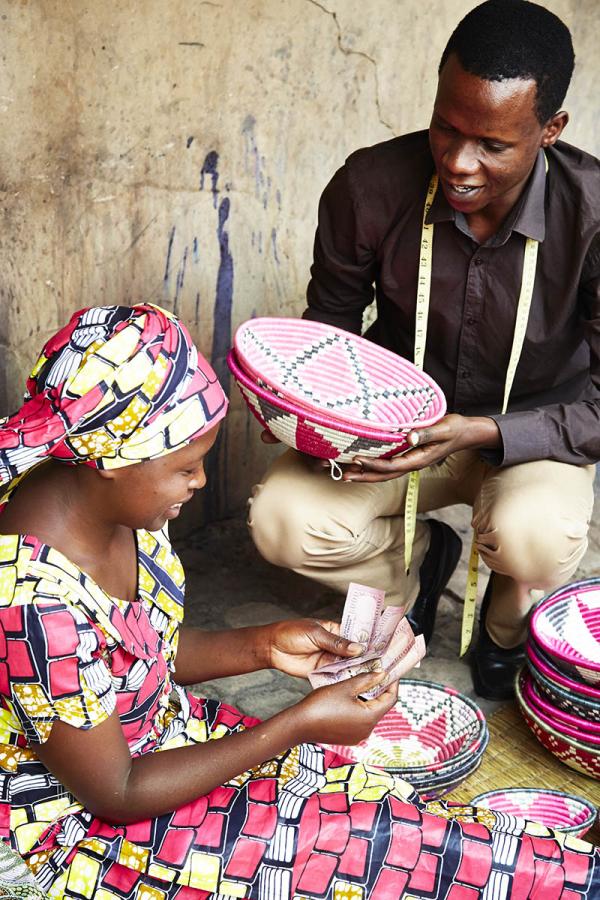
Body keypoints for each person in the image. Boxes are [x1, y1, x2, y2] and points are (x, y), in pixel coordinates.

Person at [1, 303, 598, 898]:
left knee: (369, 804)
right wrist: (298, 725)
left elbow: (144, 654)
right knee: (362, 844)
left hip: (162, 740)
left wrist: (267, 644)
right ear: (113, 460)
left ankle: (569, 874)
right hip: (94, 830)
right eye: (188, 469)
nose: (201, 483)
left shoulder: (120, 502)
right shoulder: (32, 604)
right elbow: (117, 792)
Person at [247, 0, 600, 702]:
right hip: (396, 427)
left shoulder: (592, 216)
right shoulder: (370, 186)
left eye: (493, 145)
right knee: (281, 519)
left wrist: (482, 433)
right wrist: (307, 414)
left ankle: (504, 621)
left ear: (550, 130)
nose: (459, 161)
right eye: (447, 126)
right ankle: (414, 569)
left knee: (535, 535)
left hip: (534, 434)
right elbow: (331, 336)